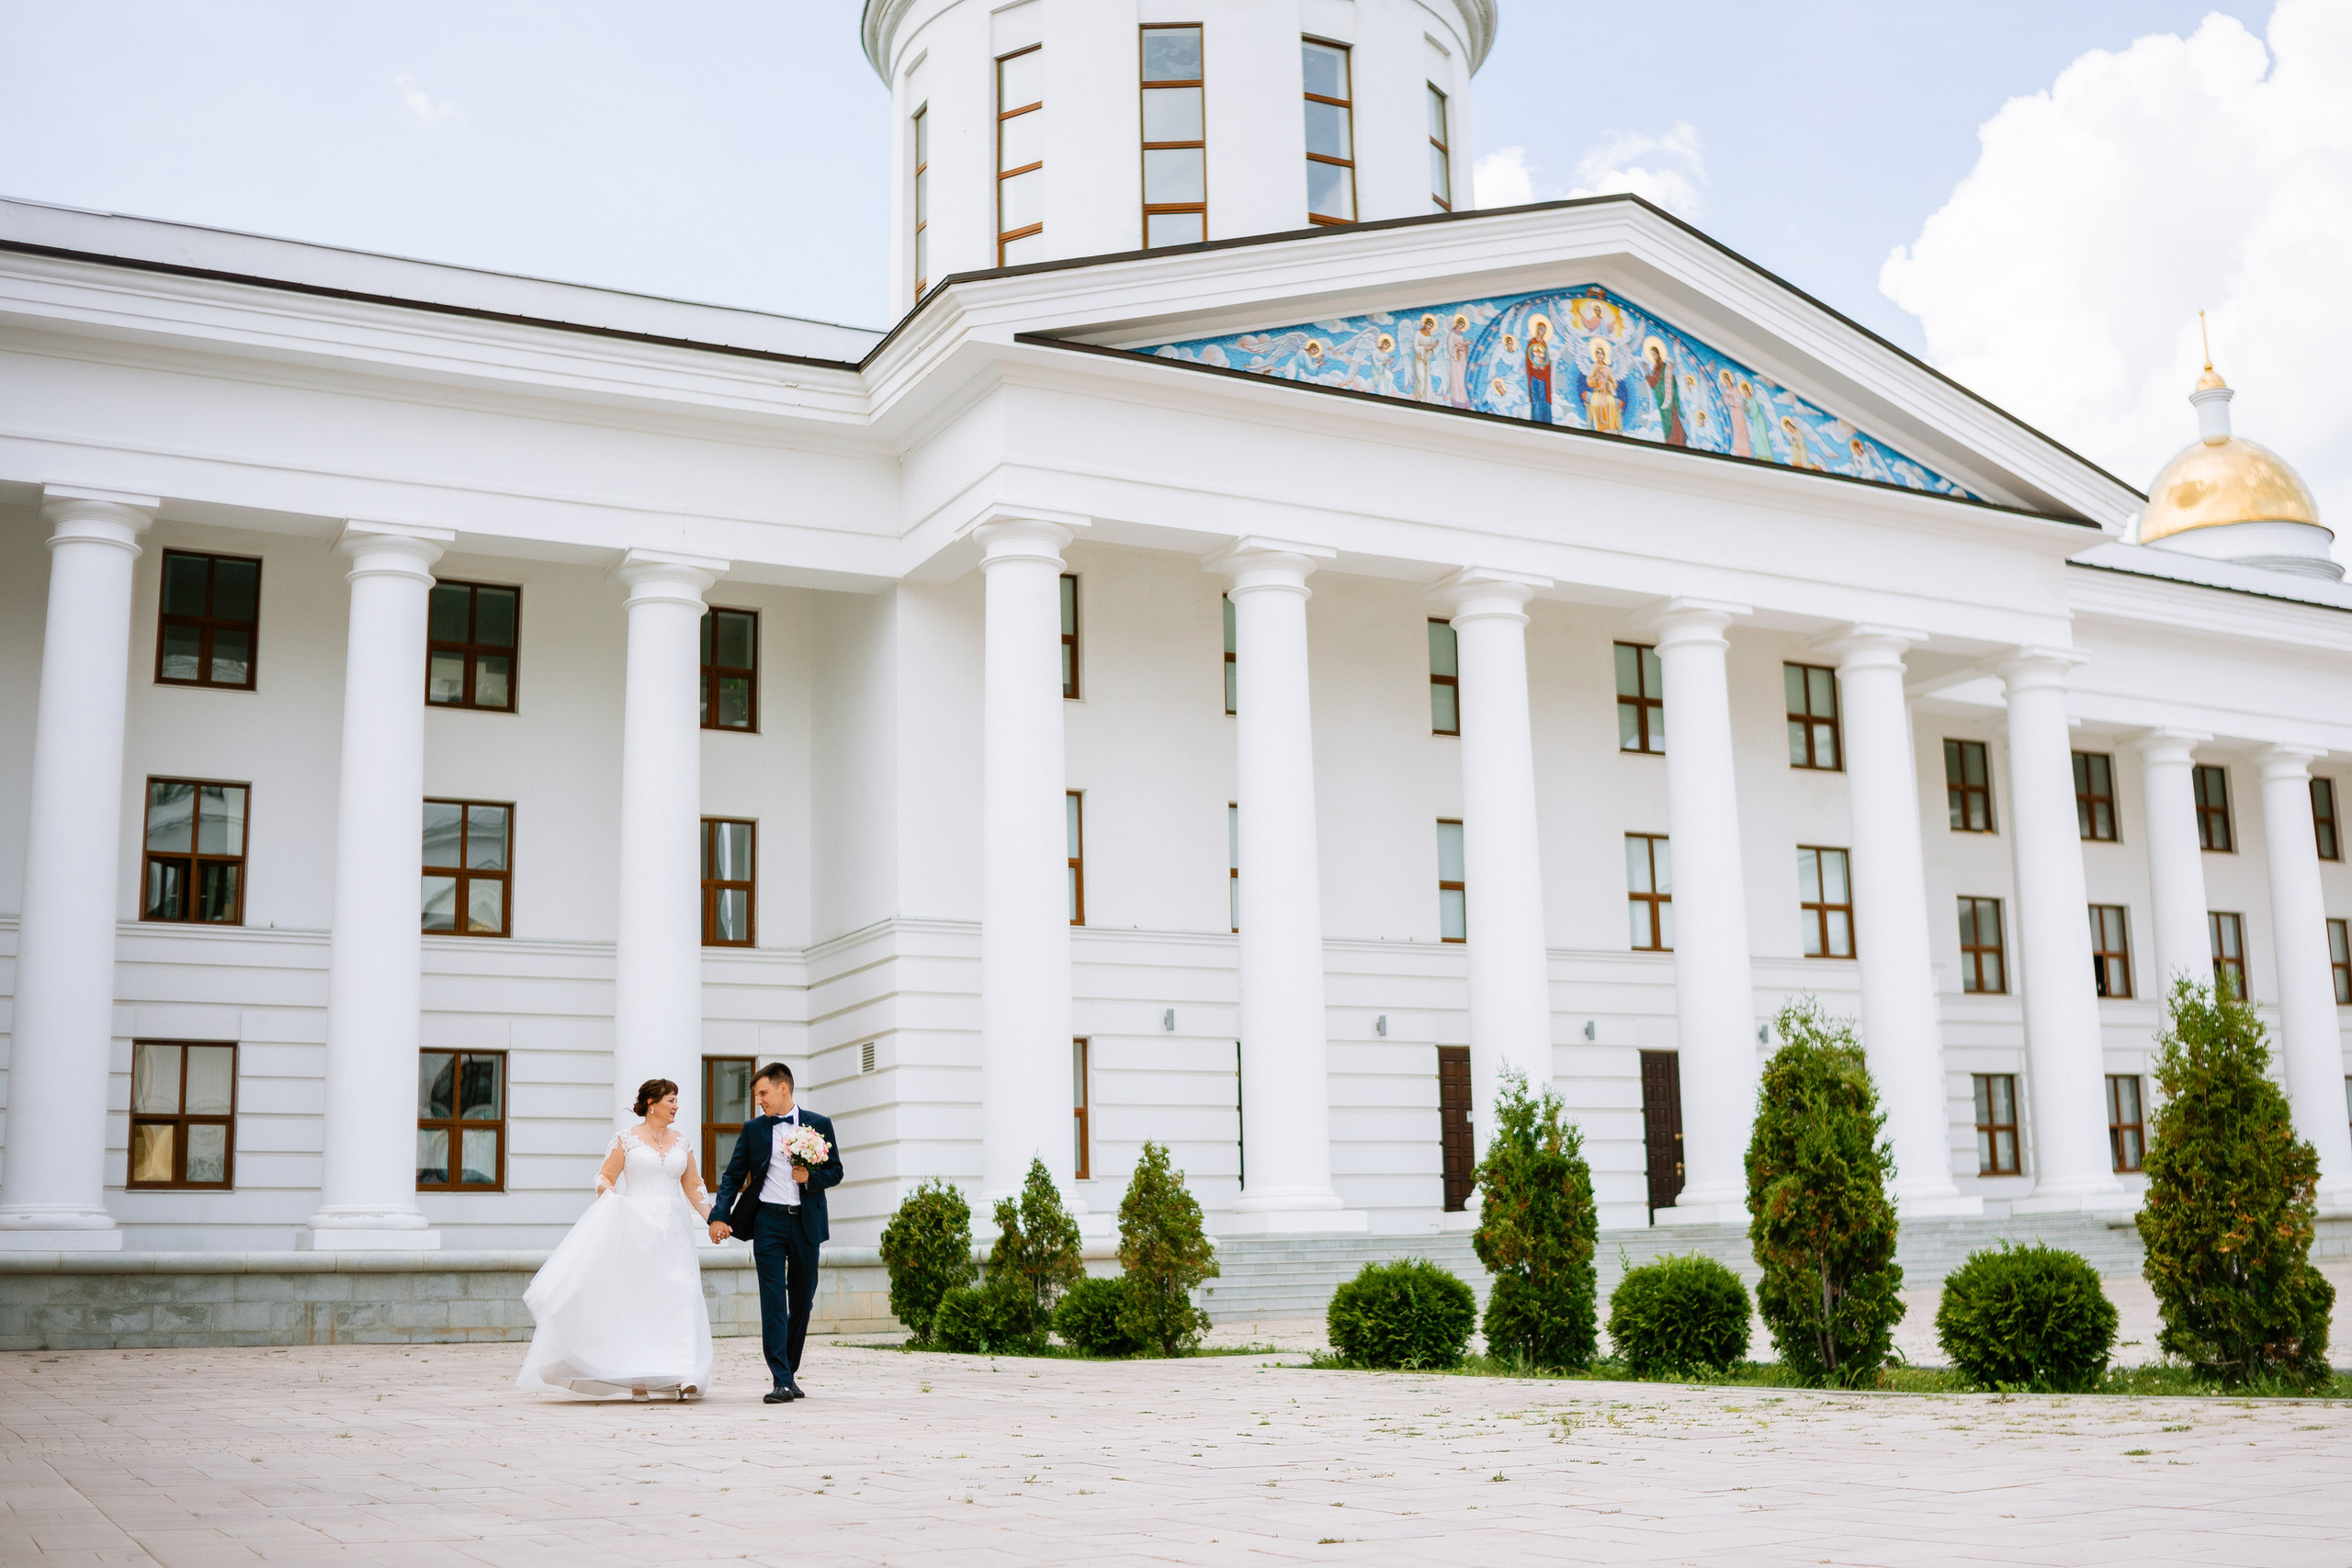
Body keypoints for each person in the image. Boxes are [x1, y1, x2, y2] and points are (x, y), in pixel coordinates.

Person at [515, 1077, 714, 1401]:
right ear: (652, 1104)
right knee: (641, 1300)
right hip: (636, 1226)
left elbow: (694, 1186)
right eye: (671, 1100)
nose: (677, 1106)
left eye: (677, 1100)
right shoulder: (626, 1139)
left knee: (683, 1294)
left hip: (674, 1232)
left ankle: (683, 1373)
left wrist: (713, 1220)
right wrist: (609, 1197)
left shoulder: (683, 1142)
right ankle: (638, 1378)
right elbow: (604, 1176)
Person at [709, 1062, 843, 1404]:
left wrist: (810, 1179)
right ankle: (780, 1379)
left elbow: (836, 1171)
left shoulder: (819, 1124)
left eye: (763, 1093)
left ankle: (790, 1370)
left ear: (783, 1088)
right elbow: (732, 1175)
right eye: (756, 1095)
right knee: (772, 1301)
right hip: (767, 1222)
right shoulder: (754, 1129)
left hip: (805, 1222)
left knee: (803, 1300)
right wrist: (718, 1215)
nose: (759, 1101)